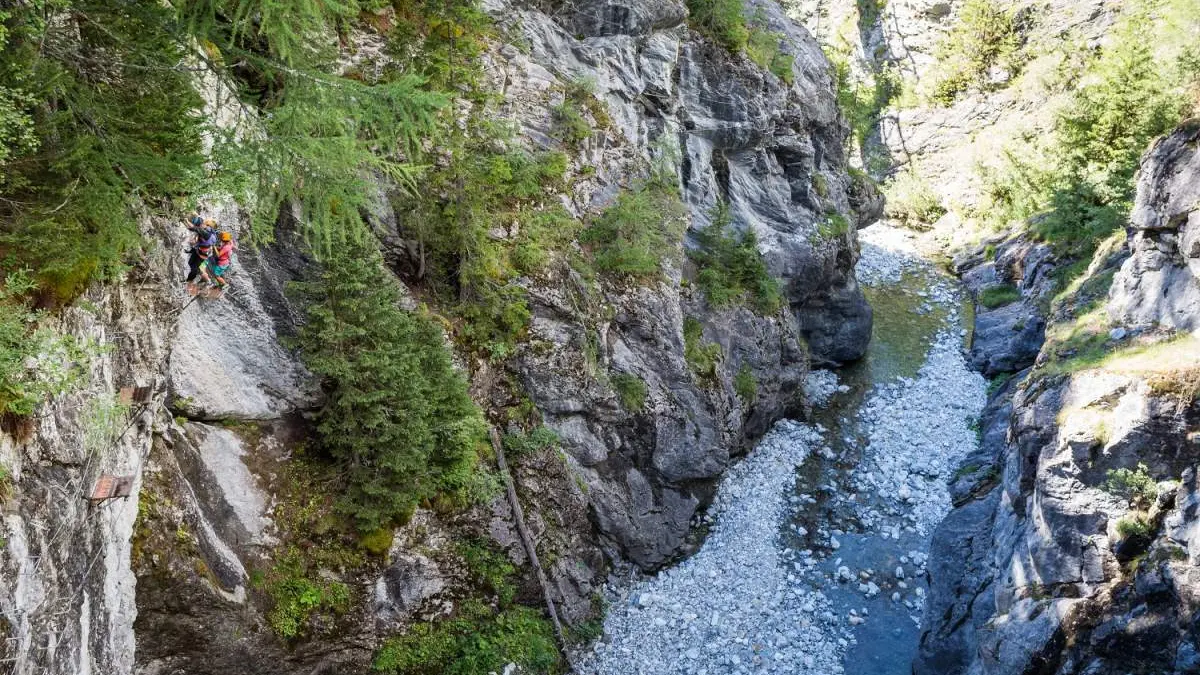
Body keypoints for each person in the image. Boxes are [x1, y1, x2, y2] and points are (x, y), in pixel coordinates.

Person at [184, 215, 218, 290]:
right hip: (200, 251)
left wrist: (186, 221)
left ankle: (190, 281)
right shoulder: (210, 231)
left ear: (207, 225)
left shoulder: (206, 233)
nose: (202, 224)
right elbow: (197, 229)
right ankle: (199, 278)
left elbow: (195, 228)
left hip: (202, 254)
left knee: (194, 268)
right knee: (191, 263)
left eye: (204, 223)